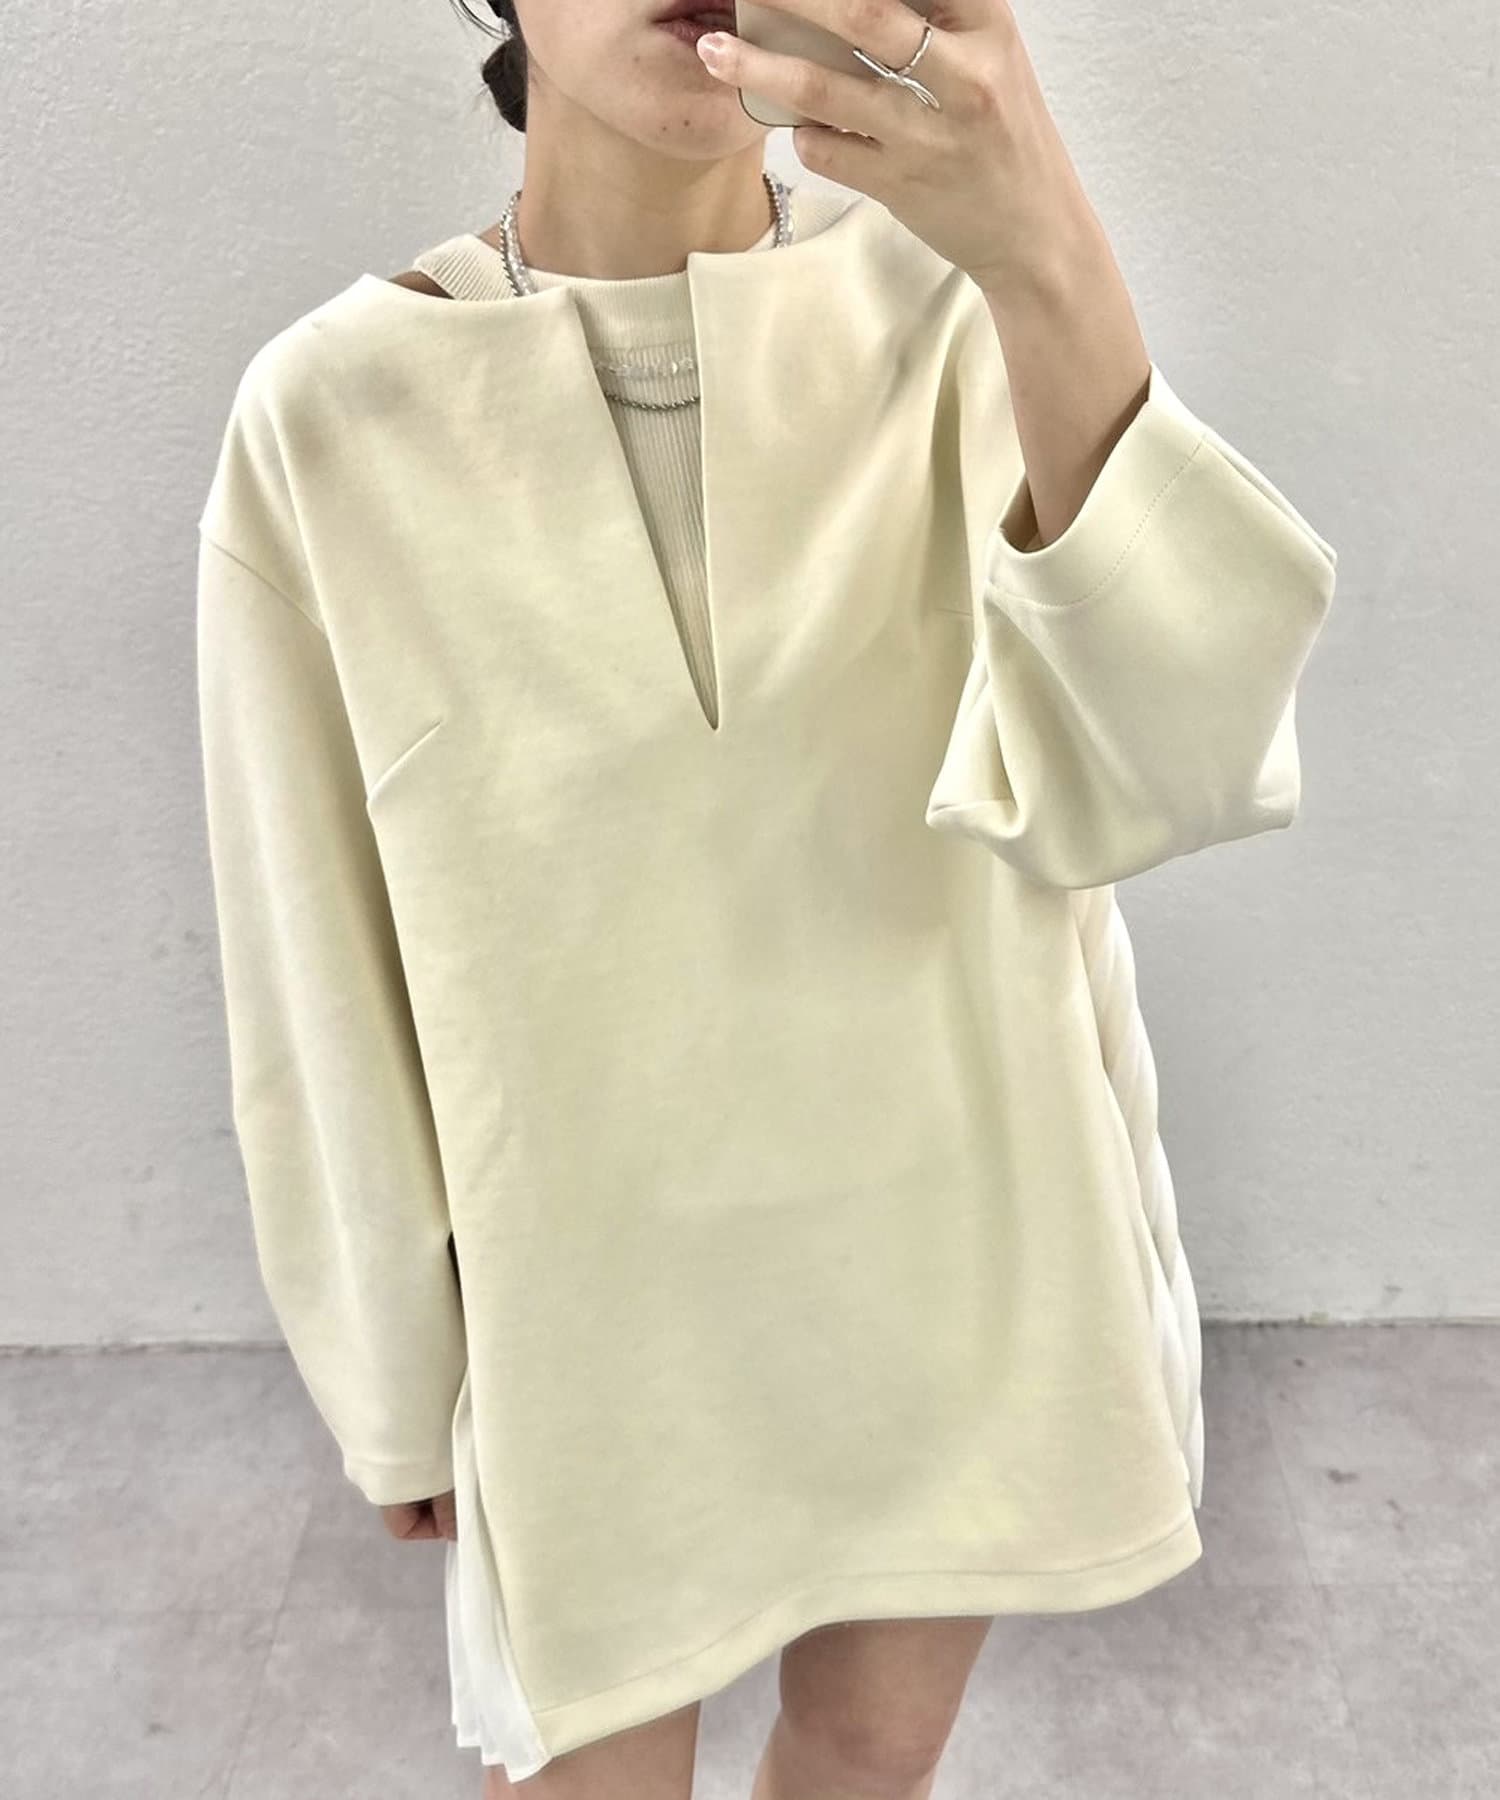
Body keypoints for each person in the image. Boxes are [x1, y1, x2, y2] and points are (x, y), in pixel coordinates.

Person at [194, 0, 1339, 1794]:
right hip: (597, 1314)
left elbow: (1178, 768)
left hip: (958, 1247)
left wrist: (1042, 236)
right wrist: (394, 1374)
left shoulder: (951, 313)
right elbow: (311, 957)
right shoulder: (332, 420)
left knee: (868, 1760)